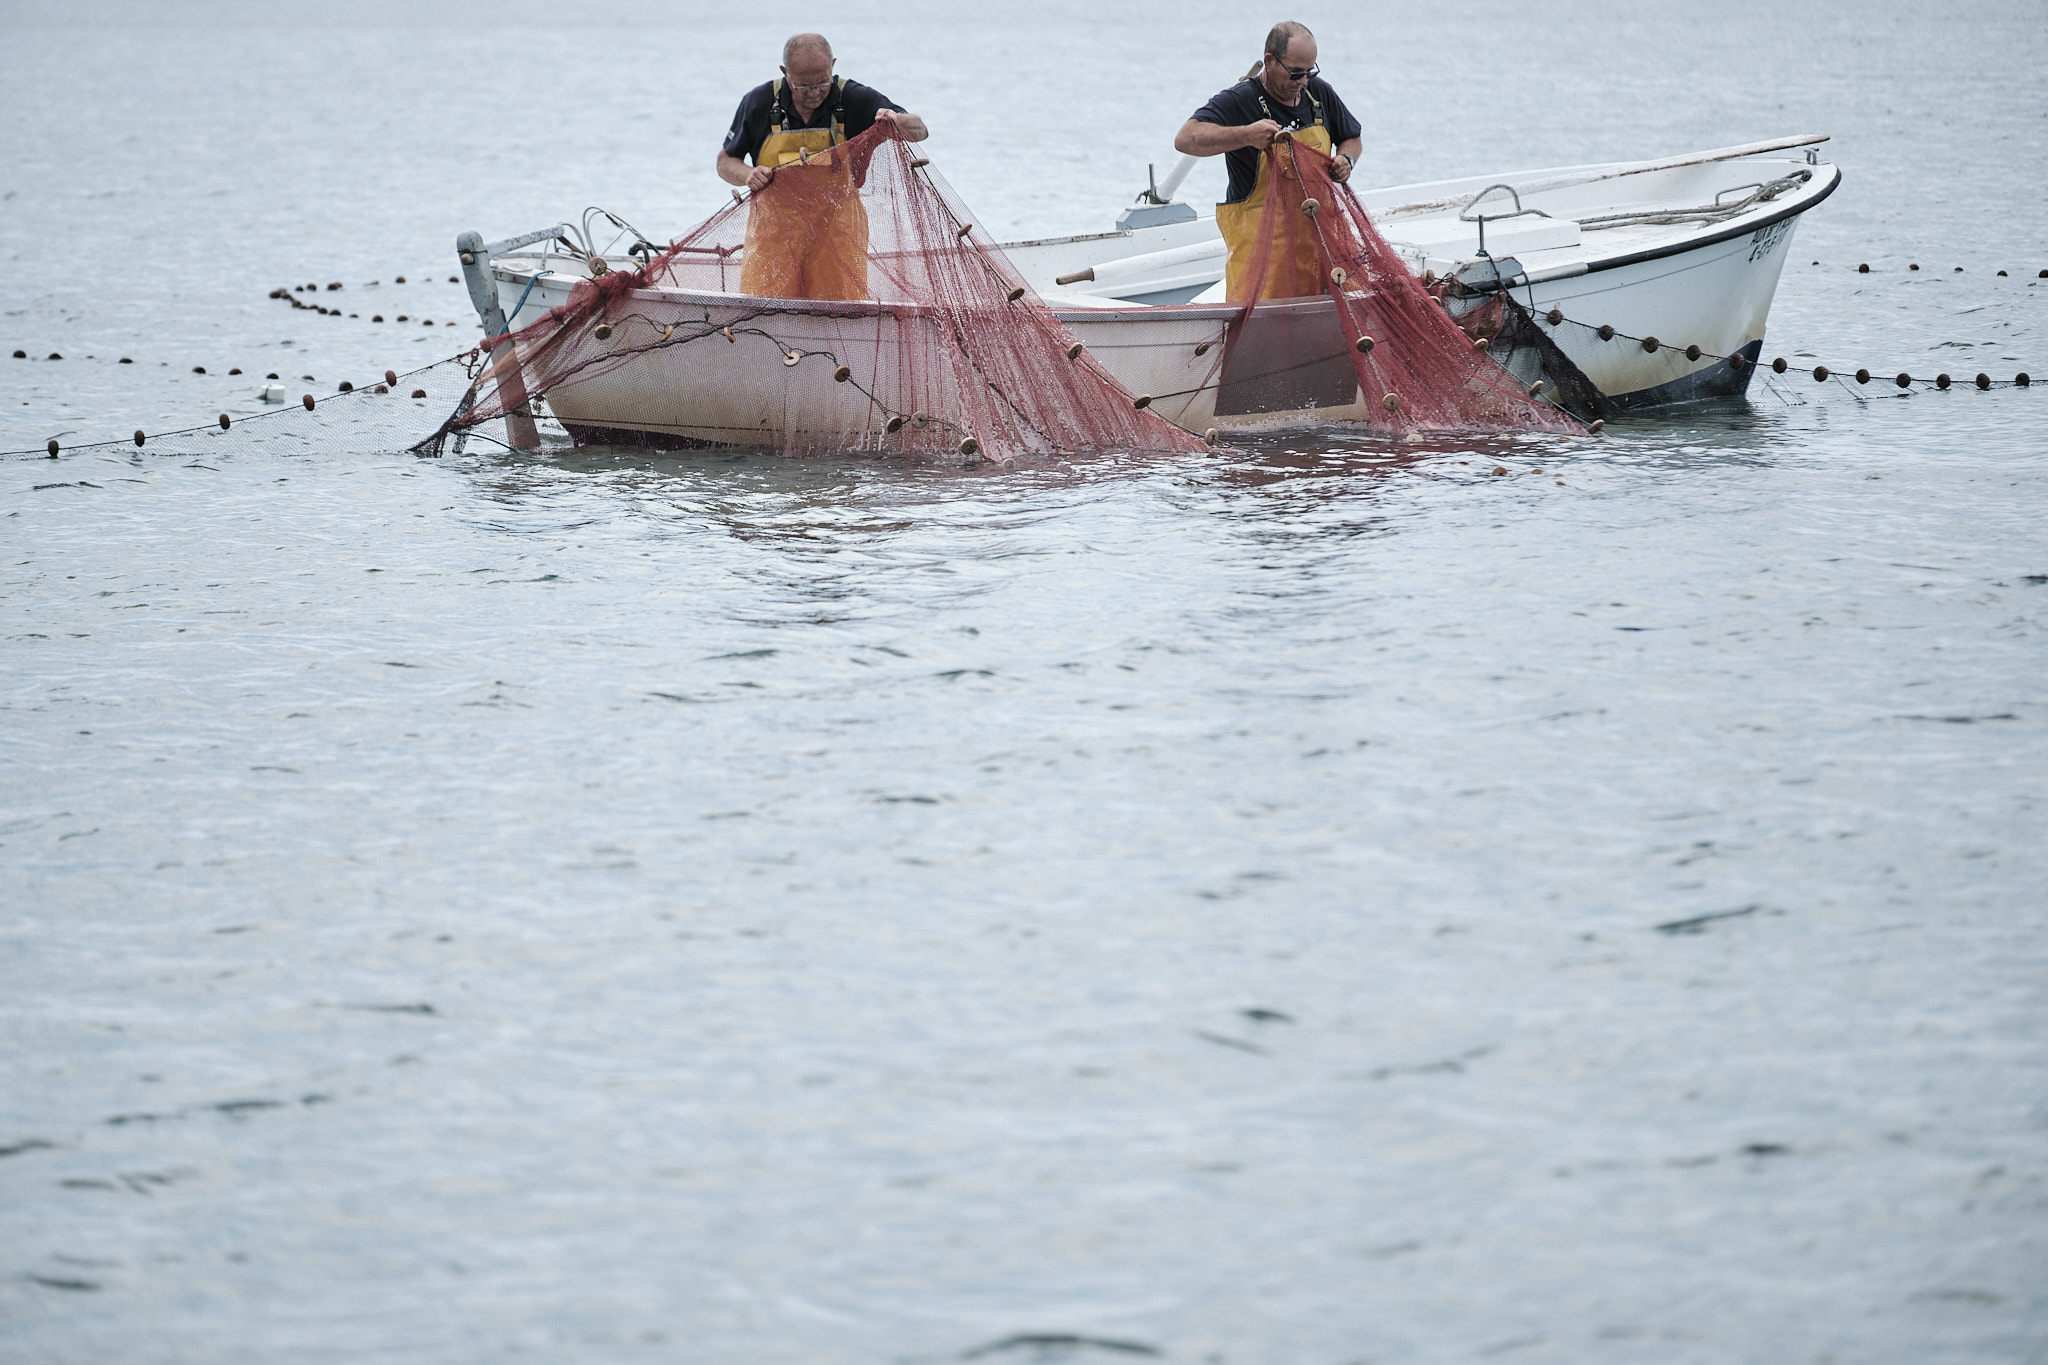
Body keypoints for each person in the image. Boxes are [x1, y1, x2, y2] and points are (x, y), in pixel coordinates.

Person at [716, 34, 929, 301]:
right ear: (785, 73)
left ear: (833, 66)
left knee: (840, 308)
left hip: (837, 233)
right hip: (774, 235)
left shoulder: (854, 97)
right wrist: (748, 174)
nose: (815, 92)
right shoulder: (758, 102)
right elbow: (725, 161)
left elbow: (920, 130)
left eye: (822, 83)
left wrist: (895, 119)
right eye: (803, 85)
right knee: (765, 309)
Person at [1174, 22, 1363, 301]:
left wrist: (1346, 159)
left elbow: (1352, 138)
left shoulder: (1319, 94)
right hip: (1262, 263)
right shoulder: (1240, 100)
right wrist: (1246, 134)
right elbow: (1186, 139)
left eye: (1309, 72)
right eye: (1295, 73)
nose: (1302, 82)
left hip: (1318, 254)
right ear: (1270, 61)